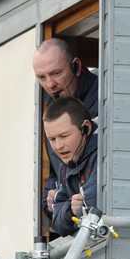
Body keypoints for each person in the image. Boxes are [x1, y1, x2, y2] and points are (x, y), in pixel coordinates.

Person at [32, 38, 98, 219]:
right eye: (42, 78)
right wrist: (51, 197)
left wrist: (73, 205)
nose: (50, 84)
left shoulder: (106, 97)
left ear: (76, 66)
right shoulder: (50, 114)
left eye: (56, 73)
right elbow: (56, 174)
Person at [43, 96, 97, 237]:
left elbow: (91, 206)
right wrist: (70, 209)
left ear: (86, 128)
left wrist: (73, 208)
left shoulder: (103, 154)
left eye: (64, 136)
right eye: (52, 139)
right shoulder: (65, 163)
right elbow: (57, 222)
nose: (58, 146)